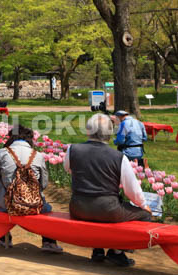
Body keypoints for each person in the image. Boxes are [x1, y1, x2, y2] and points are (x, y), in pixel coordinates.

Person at [65, 113, 152, 267]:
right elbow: (131, 189)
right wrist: (144, 205)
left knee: (101, 213)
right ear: (110, 134)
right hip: (107, 209)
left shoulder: (73, 149)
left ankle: (98, 249)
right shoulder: (118, 157)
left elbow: (68, 169)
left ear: (88, 131)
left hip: (78, 207)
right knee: (144, 215)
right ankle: (116, 251)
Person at [0, 125, 63, 253]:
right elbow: (43, 184)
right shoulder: (38, 155)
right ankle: (48, 242)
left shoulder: (3, 153)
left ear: (12, 138)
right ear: (30, 140)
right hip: (33, 205)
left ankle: (5, 238)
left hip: (6, 205)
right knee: (47, 210)